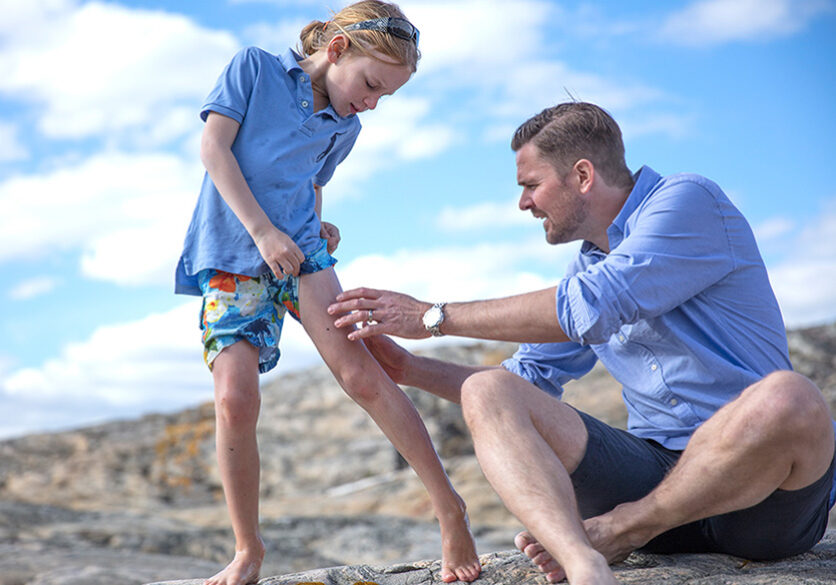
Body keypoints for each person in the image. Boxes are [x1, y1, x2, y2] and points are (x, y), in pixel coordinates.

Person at [327, 102, 836, 585]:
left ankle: (618, 531)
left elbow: (596, 302)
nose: (523, 202)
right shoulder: (590, 264)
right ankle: (584, 563)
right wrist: (410, 366)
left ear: (583, 176)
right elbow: (521, 384)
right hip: (657, 478)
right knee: (489, 391)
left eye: (531, 185)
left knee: (790, 397)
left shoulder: (689, 201)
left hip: (759, 497)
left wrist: (432, 316)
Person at [173, 3, 481, 584]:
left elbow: (309, 181)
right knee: (235, 400)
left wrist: (319, 222)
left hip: (304, 256)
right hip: (237, 253)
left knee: (363, 375)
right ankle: (248, 550)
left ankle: (450, 508)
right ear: (336, 51)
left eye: (384, 96)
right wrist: (264, 231)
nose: (371, 103)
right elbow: (214, 151)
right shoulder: (255, 70)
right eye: (370, 85)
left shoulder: (346, 127)